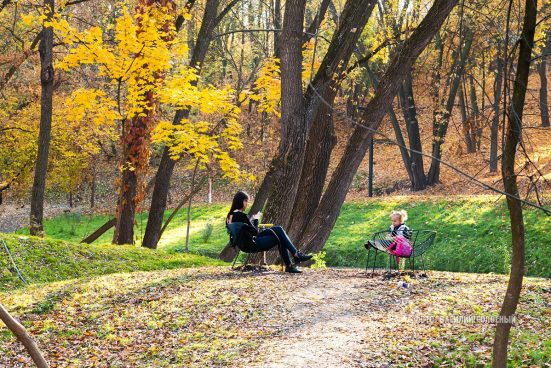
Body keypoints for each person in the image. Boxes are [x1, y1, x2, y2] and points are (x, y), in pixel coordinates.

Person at [226, 191, 312, 273]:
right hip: (253, 244)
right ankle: (293, 260)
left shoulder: (230, 216)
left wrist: (250, 221)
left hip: (244, 245)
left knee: (278, 229)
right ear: (241, 201)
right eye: (246, 201)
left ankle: (295, 257)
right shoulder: (241, 215)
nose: (247, 204)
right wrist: (256, 220)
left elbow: (244, 230)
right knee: (280, 235)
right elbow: (255, 232)